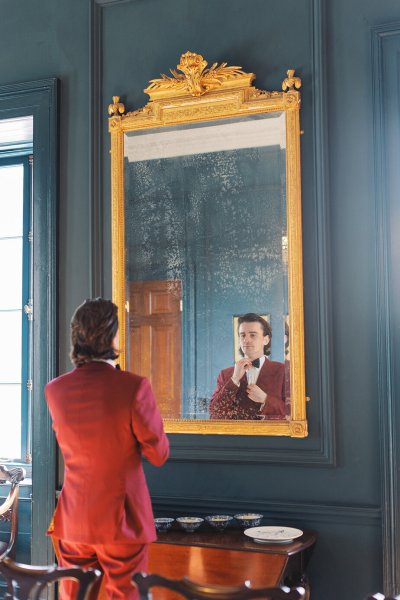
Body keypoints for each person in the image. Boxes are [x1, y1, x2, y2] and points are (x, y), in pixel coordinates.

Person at [45, 298, 169, 599]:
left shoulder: (55, 390)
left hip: (73, 519)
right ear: (112, 337)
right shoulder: (134, 386)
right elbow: (158, 454)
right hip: (121, 522)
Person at [209, 313, 286, 420]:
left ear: (266, 339)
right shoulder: (225, 374)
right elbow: (215, 413)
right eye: (242, 335)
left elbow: (293, 412)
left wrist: (265, 399)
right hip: (237, 435)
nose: (246, 340)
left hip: (271, 436)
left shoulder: (283, 371)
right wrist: (234, 380)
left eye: (253, 335)